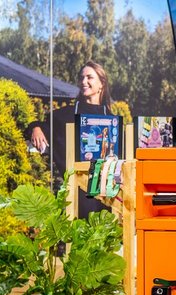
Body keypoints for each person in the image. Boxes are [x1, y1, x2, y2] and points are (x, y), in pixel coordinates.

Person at [27, 60, 113, 217]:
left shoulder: (113, 120)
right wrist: (35, 127)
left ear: (102, 83)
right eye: (81, 78)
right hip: (76, 198)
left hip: (107, 199)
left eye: (89, 77)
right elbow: (41, 126)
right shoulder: (65, 115)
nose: (84, 81)